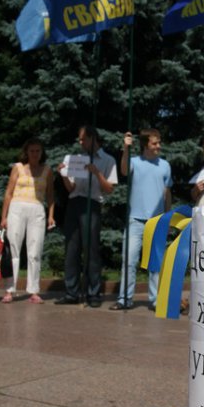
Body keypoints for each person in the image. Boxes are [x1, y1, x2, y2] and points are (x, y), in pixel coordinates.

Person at [110, 129, 172, 311]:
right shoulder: (134, 162)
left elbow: (167, 193)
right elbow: (123, 170)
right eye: (154, 143)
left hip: (157, 221)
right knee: (129, 261)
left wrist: (168, 217)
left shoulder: (165, 166)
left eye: (159, 142)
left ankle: (156, 300)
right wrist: (126, 148)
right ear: (145, 145)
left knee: (155, 264)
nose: (158, 146)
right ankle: (125, 299)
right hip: (135, 220)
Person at [56, 125, 117, 308]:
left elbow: (109, 189)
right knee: (71, 248)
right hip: (74, 203)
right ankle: (71, 292)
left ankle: (93, 293)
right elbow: (71, 188)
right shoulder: (75, 159)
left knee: (91, 249)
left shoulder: (108, 160)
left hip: (93, 203)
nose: (80, 142)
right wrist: (63, 175)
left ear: (92, 138)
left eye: (83, 139)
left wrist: (96, 173)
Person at [0, 138, 55, 304]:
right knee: (13, 249)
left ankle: (34, 291)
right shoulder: (18, 168)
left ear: (42, 152)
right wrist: (4, 217)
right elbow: (8, 193)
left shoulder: (47, 170)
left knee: (35, 251)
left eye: (38, 151)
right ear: (27, 152)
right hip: (16, 208)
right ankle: (9, 290)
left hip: (37, 210)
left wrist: (51, 215)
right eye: (32, 151)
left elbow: (50, 195)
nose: (35, 154)